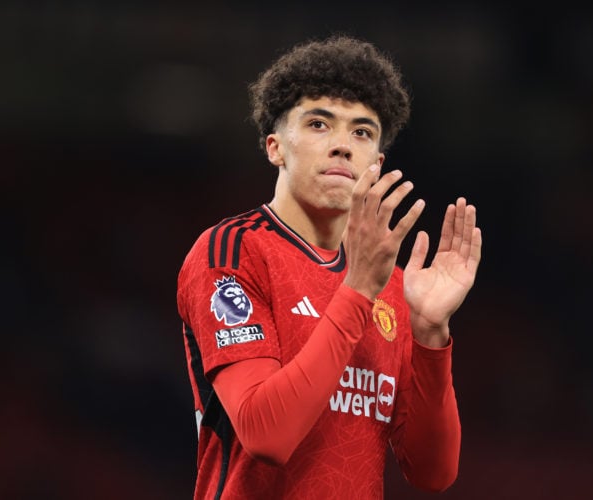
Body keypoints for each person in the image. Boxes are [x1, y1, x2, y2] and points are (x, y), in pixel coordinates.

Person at [177, 35, 482, 499]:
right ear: (275, 147)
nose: (343, 146)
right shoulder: (232, 253)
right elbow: (266, 435)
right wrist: (358, 290)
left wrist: (429, 333)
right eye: (319, 124)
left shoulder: (393, 287)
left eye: (361, 132)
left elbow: (433, 472)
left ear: (376, 164)